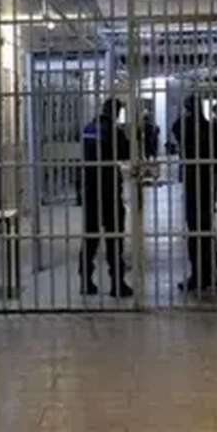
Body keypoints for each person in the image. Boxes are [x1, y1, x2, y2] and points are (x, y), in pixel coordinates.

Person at [78, 97, 134, 297]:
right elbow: (126, 153)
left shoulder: (88, 128)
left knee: (90, 238)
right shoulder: (113, 131)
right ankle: (117, 283)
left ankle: (85, 281)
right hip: (109, 189)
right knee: (114, 238)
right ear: (116, 112)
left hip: (90, 188)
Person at [172, 94, 217, 292]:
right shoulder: (210, 128)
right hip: (207, 182)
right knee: (207, 229)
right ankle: (211, 275)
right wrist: (215, 188)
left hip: (193, 182)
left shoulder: (184, 126)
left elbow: (175, 128)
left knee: (195, 230)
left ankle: (198, 276)